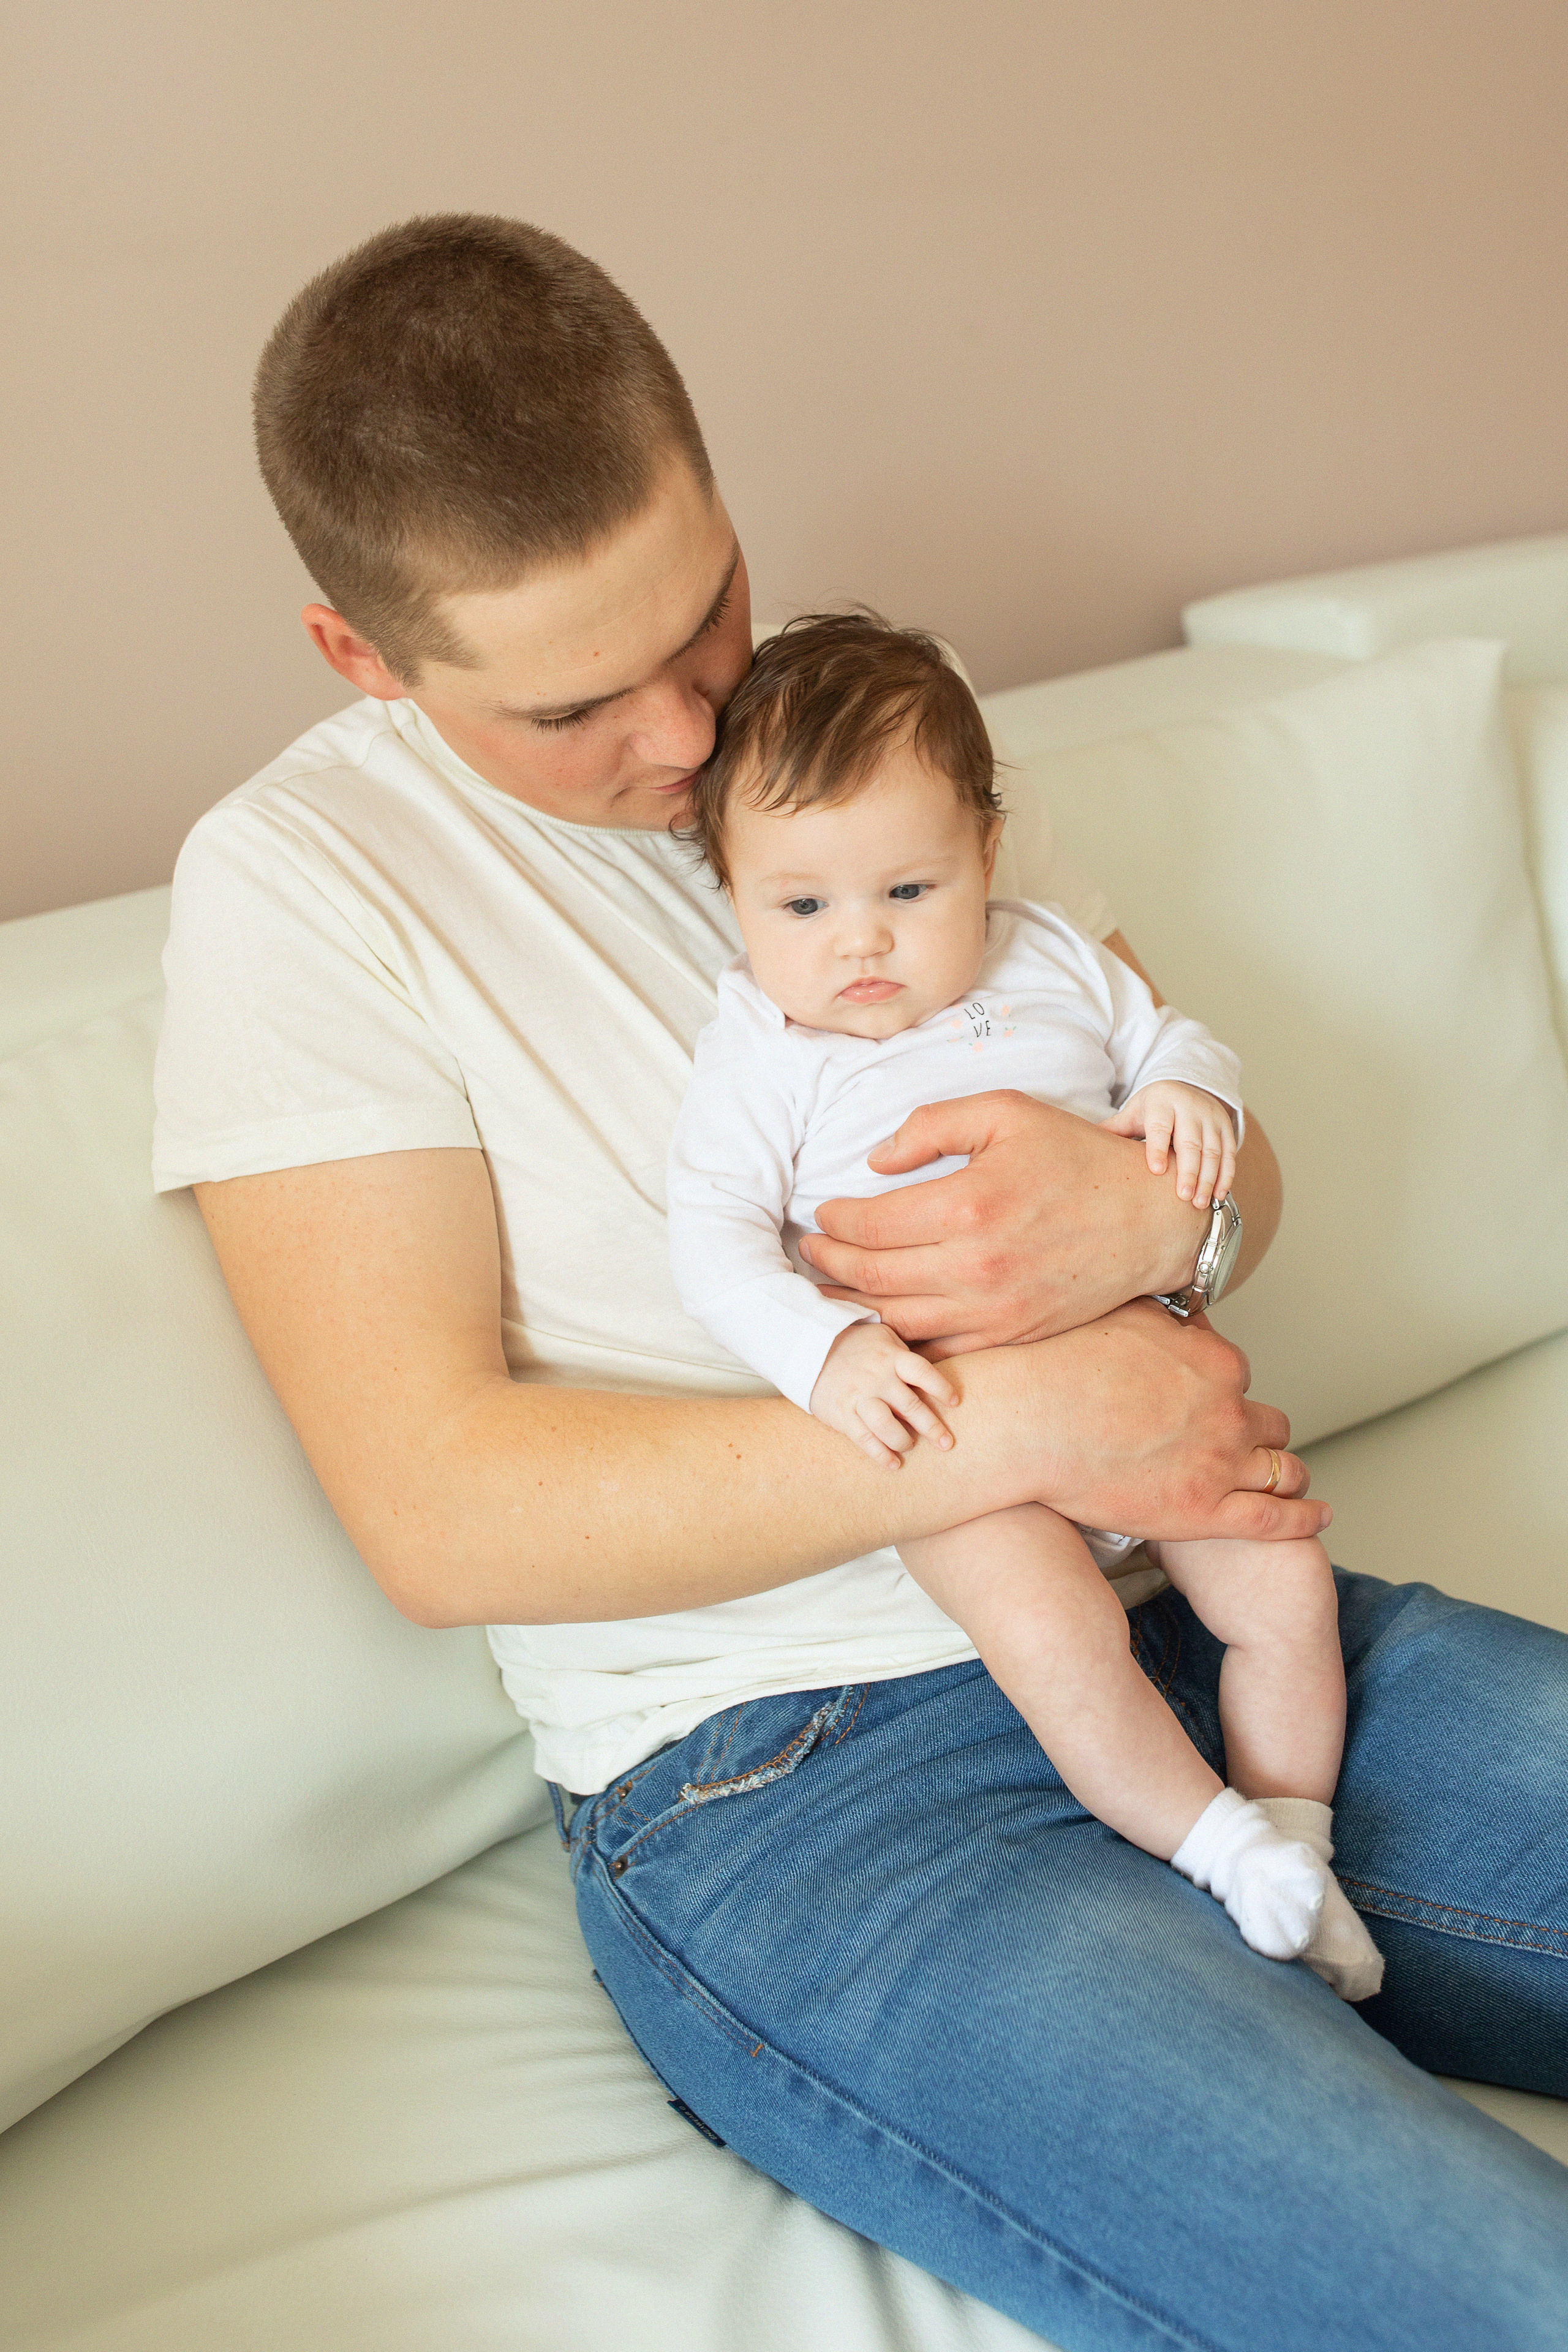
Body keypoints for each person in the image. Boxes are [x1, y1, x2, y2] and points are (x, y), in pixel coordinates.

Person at [154, 214, 1568, 2350]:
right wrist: (1017, 1422)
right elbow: (440, 1506)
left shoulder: (860, 729)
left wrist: (1151, 1226)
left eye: (705, 607)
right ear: (365, 658)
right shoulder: (298, 892)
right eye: (574, 702)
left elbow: (1215, 1160)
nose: (690, 724)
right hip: (799, 1790)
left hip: (1187, 1599)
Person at [667, 611, 1384, 1997]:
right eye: (799, 906)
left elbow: (1170, 1036)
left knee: (1284, 1590)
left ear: (984, 859)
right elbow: (711, 1242)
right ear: (736, 896)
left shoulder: (1048, 953)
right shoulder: (761, 1049)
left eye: (908, 892)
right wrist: (828, 1355)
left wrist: (1185, 1089)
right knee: (1059, 1641)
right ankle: (1217, 1846)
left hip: (1149, 1392)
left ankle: (1299, 1841)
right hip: (955, 1448)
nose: (858, 944)